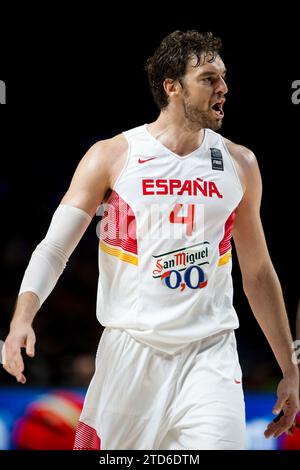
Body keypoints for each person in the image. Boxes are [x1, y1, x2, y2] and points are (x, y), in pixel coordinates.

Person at [2, 30, 299, 450]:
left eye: (224, 78)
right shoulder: (112, 156)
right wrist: (20, 320)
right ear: (172, 86)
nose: (224, 89)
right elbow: (53, 248)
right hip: (130, 352)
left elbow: (258, 273)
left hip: (209, 354)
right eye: (209, 78)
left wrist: (290, 367)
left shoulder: (239, 163)